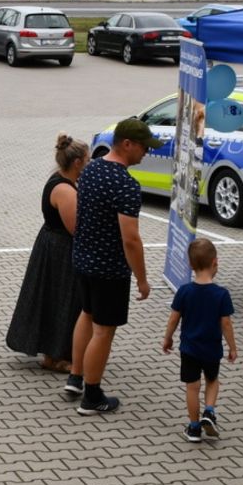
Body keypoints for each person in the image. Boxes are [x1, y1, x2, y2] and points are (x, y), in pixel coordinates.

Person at [64, 118, 161, 415]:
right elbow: (130, 239)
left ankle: (76, 377)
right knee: (103, 330)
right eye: (144, 147)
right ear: (127, 144)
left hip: (83, 259)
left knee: (86, 314)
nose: (146, 153)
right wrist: (142, 279)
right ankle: (92, 397)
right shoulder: (126, 184)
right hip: (109, 269)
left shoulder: (91, 168)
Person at [5, 133, 89, 373]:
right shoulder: (65, 190)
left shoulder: (61, 180)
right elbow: (75, 228)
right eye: (87, 159)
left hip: (53, 245)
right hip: (60, 251)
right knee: (63, 301)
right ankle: (57, 356)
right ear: (77, 162)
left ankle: (54, 352)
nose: (89, 163)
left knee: (54, 301)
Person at [161, 238, 238, 443]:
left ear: (190, 265)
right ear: (215, 263)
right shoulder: (221, 294)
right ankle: (210, 411)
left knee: (192, 387)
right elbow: (226, 324)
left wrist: (167, 339)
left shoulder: (184, 291)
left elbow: (174, 318)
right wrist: (232, 347)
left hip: (189, 349)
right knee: (212, 380)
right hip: (212, 348)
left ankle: (194, 427)